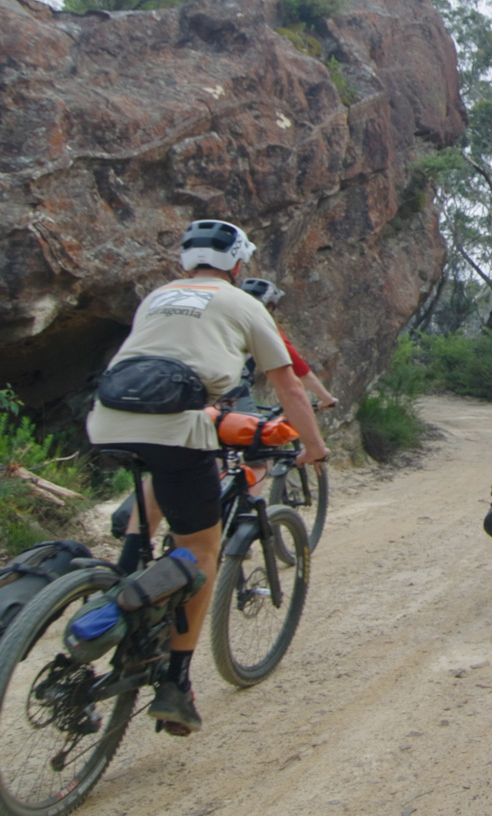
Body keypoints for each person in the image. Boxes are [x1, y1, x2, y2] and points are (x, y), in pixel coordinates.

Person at [87, 220, 330, 736]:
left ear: (185, 261)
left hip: (107, 420)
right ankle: (176, 682)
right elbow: (287, 383)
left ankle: (120, 576)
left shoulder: (157, 297)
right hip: (178, 422)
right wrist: (314, 445)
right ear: (238, 266)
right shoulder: (245, 304)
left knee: (161, 471)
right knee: (200, 549)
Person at [239, 277, 339, 411]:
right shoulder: (264, 327)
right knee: (251, 429)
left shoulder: (221, 316)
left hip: (203, 388)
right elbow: (298, 368)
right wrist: (327, 398)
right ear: (269, 307)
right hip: (232, 391)